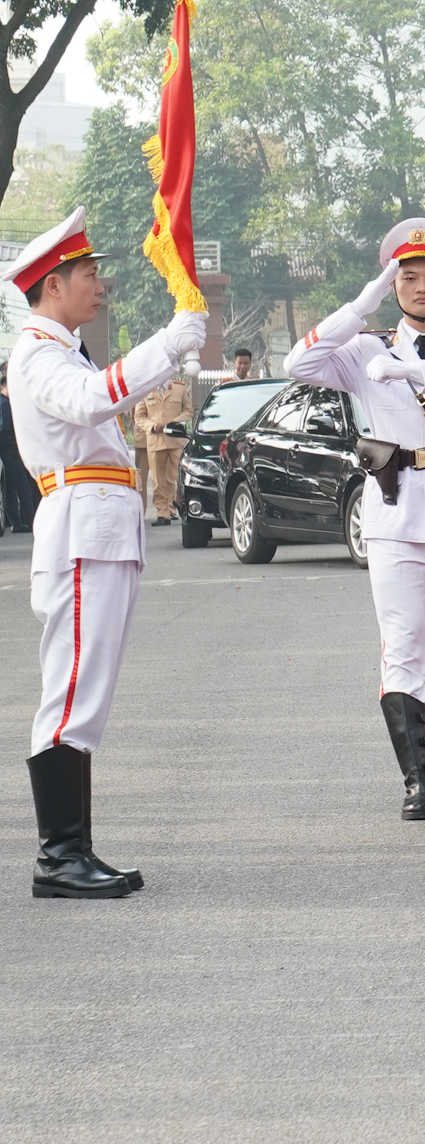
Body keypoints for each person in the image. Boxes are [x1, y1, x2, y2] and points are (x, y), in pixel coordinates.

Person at [7, 207, 206, 898]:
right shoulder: (35, 351)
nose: (101, 286)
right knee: (71, 693)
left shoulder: (59, 347)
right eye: (90, 275)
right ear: (54, 284)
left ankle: (70, 849)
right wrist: (164, 343)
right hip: (81, 527)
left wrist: (169, 354)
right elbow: (92, 404)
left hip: (99, 523)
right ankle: (60, 855)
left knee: (84, 691)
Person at [286, 219, 425, 821]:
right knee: (403, 644)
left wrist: (411, 372)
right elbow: (298, 361)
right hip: (393, 509)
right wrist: (363, 304)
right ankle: (416, 779)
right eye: (406, 277)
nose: (421, 287)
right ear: (394, 284)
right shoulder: (362, 351)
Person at [130, 369, 192, 526]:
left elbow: (188, 410)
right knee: (158, 480)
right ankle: (162, 513)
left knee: (178, 477)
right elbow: (139, 417)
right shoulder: (145, 391)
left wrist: (175, 422)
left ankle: (178, 505)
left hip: (175, 440)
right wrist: (152, 426)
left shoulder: (180, 388)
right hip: (155, 440)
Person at [1, 365, 42, 533]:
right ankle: (28, 520)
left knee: (10, 487)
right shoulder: (4, 404)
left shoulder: (6, 403)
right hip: (9, 449)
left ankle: (17, 521)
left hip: (9, 449)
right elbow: (5, 428)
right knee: (21, 486)